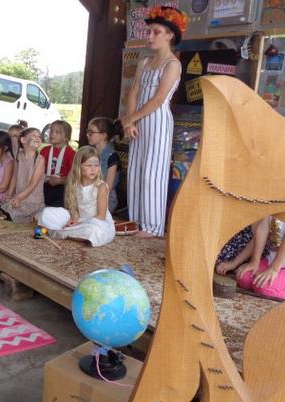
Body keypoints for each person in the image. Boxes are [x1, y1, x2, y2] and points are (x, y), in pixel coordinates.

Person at [121, 6, 186, 238]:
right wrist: (129, 123)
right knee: (136, 171)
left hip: (158, 121)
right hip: (138, 121)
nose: (149, 36)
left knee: (153, 173)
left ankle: (152, 227)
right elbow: (134, 93)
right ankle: (136, 221)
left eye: (156, 32)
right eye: (148, 32)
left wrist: (131, 118)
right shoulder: (144, 62)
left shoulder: (173, 64)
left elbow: (159, 99)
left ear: (170, 35)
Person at [219, 217, 285, 300]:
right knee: (243, 277)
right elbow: (262, 229)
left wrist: (273, 269)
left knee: (264, 288)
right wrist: (254, 262)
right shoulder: (275, 202)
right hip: (273, 260)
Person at [38, 146, 116, 247]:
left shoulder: (101, 186)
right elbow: (74, 210)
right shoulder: (75, 185)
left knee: (94, 230)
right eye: (88, 165)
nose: (93, 169)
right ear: (79, 166)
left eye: (96, 165)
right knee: (47, 213)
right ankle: (74, 233)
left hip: (95, 222)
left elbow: (101, 216)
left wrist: (79, 224)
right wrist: (73, 219)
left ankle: (67, 233)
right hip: (79, 220)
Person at [0, 127, 45, 223]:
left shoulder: (40, 160)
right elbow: (14, 177)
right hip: (18, 195)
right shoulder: (18, 156)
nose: (37, 138)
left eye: (39, 136)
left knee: (10, 214)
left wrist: (18, 198)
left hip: (31, 199)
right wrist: (9, 194)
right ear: (23, 140)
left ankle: (33, 214)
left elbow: (33, 185)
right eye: (34, 136)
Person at [86, 117, 121, 213]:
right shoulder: (90, 153)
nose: (87, 135)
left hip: (105, 198)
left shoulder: (112, 157)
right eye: (87, 132)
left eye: (91, 132)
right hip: (89, 193)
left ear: (103, 135)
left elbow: (107, 187)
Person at [40, 120, 75, 207]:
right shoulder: (44, 151)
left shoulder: (71, 154)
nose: (52, 134)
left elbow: (74, 177)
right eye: (51, 131)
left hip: (62, 189)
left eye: (57, 132)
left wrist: (60, 180)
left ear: (66, 137)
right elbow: (38, 171)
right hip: (44, 185)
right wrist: (46, 179)